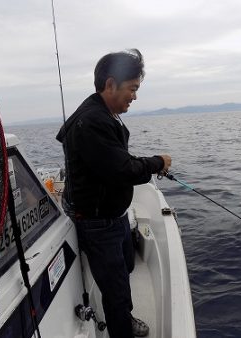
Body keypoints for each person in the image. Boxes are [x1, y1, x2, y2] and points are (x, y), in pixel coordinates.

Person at [56, 49, 171, 337]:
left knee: (125, 269)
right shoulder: (91, 121)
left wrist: (145, 165)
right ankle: (122, 329)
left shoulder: (104, 114)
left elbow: (116, 161)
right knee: (116, 288)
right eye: (132, 89)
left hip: (114, 215)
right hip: (98, 223)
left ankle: (125, 316)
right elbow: (122, 170)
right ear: (110, 84)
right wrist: (157, 162)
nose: (134, 96)